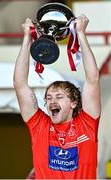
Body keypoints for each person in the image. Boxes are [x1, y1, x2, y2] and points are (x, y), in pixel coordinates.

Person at [13, 14, 101, 179]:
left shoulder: (87, 124)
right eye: (49, 97)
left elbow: (93, 79)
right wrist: (27, 37)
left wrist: (81, 34)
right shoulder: (39, 126)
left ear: (74, 103)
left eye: (59, 96)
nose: (52, 100)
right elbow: (20, 85)